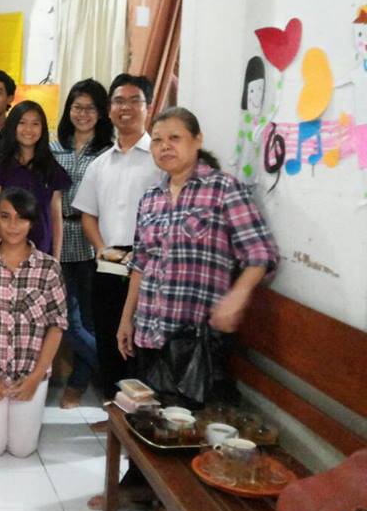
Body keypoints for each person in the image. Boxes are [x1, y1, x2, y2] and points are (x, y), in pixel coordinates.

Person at [117, 107, 279, 387]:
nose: (164, 146)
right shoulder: (151, 198)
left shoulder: (223, 189)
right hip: (149, 333)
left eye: (175, 138)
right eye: (157, 140)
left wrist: (237, 296)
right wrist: (126, 319)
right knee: (147, 410)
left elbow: (261, 253)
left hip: (198, 342)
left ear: (197, 140)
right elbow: (140, 263)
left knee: (189, 415)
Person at [71, 73, 162, 400]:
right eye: (119, 101)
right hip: (109, 263)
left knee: (143, 343)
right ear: (109, 110)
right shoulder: (100, 164)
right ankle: (113, 411)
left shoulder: (160, 159)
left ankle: (143, 414)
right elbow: (88, 214)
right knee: (108, 337)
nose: (126, 108)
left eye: (134, 101)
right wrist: (100, 249)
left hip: (151, 267)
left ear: (148, 107)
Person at [0, 187, 68, 457]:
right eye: (5, 216)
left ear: (32, 222)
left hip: (30, 371)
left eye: (21, 218)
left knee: (22, 449)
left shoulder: (49, 268)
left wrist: (36, 376)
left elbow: (57, 325)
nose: (13, 225)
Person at [50, 79, 113, 408]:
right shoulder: (54, 146)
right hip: (58, 238)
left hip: (92, 239)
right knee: (65, 320)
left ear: (101, 113)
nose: (83, 114)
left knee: (89, 319)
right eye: (77, 107)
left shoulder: (108, 151)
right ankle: (116, 372)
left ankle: (78, 384)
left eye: (90, 108)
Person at [0, 100, 71, 260]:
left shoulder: (51, 168)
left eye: (35, 124)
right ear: (13, 127)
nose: (28, 129)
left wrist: (56, 260)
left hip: (43, 256)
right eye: (22, 123)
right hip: (6, 257)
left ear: (42, 128)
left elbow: (55, 217)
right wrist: (7, 253)